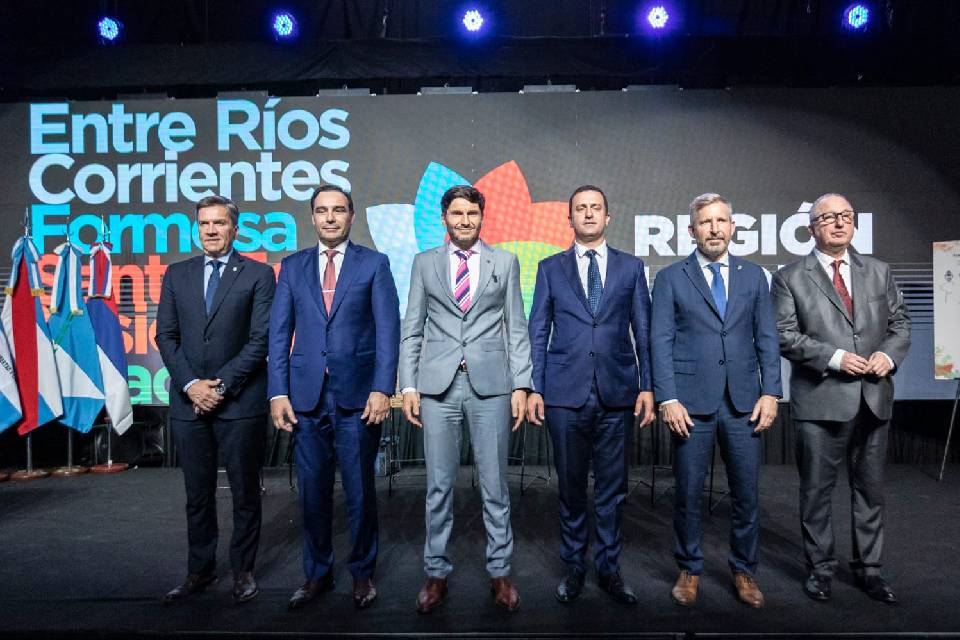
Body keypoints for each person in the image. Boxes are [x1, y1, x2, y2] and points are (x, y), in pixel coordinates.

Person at [771, 193, 910, 604]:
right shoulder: (790, 277)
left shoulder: (879, 271)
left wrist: (887, 355)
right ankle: (821, 570)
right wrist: (834, 358)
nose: (839, 223)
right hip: (820, 401)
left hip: (873, 398)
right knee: (816, 492)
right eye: (829, 217)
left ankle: (870, 570)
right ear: (811, 228)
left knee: (870, 491)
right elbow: (783, 334)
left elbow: (900, 323)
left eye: (846, 216)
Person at [399, 185, 532, 614]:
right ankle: (436, 573)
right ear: (444, 218)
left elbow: (516, 327)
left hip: (492, 387)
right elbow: (412, 328)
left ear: (481, 217)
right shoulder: (424, 263)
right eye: (456, 213)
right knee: (438, 486)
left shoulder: (504, 262)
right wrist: (408, 386)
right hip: (437, 388)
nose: (464, 220)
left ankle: (500, 571)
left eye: (472, 213)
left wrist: (522, 386)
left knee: (495, 486)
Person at [268, 185, 400, 611]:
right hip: (305, 398)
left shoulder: (374, 264)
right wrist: (278, 391)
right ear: (312, 217)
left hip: (358, 397)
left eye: (338, 210)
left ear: (351, 216)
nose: (330, 217)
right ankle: (317, 574)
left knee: (360, 490)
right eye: (322, 211)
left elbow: (389, 331)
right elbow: (279, 334)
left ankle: (362, 573)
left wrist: (382, 388)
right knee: (312, 492)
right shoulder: (292, 267)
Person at [650, 193, 781, 609]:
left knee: (746, 494)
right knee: (688, 493)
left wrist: (771, 392)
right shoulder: (670, 277)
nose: (714, 229)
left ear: (733, 227)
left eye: (721, 221)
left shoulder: (754, 276)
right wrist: (667, 397)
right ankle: (689, 568)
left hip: (744, 402)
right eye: (706, 222)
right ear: (691, 230)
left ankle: (744, 569)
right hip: (690, 404)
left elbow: (767, 338)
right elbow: (659, 341)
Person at [526, 185, 655, 605]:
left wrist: (648, 386)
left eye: (595, 207)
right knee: (570, 487)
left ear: (608, 217)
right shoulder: (550, 268)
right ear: (569, 218)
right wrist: (535, 387)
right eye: (580, 208)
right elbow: (538, 331)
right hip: (564, 395)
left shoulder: (632, 267)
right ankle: (574, 566)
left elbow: (644, 332)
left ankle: (610, 568)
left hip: (617, 393)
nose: (588, 214)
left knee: (613, 490)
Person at [157, 195, 276, 605]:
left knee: (245, 493)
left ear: (234, 229)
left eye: (219, 223)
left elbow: (261, 340)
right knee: (197, 495)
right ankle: (200, 570)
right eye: (204, 223)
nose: (211, 230)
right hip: (187, 402)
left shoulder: (259, 274)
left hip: (240, 403)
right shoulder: (176, 274)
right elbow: (165, 336)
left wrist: (219, 387)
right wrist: (192, 385)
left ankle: (243, 571)